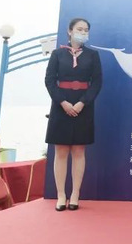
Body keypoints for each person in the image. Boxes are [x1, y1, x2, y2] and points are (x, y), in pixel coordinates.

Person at [44, 18, 103, 211]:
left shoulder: (93, 55)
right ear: (70, 31)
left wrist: (81, 103)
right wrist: (63, 102)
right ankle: (61, 195)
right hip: (60, 105)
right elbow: (50, 81)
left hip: (83, 106)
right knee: (61, 151)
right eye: (79, 29)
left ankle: (75, 194)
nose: (83, 32)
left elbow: (97, 82)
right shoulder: (57, 54)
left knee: (79, 151)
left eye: (86, 30)